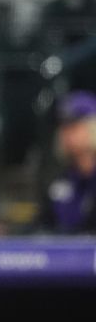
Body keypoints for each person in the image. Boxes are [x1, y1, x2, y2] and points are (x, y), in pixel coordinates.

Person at [42, 91, 96, 233]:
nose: (66, 133)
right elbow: (43, 223)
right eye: (63, 126)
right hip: (64, 252)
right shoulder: (61, 179)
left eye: (74, 126)